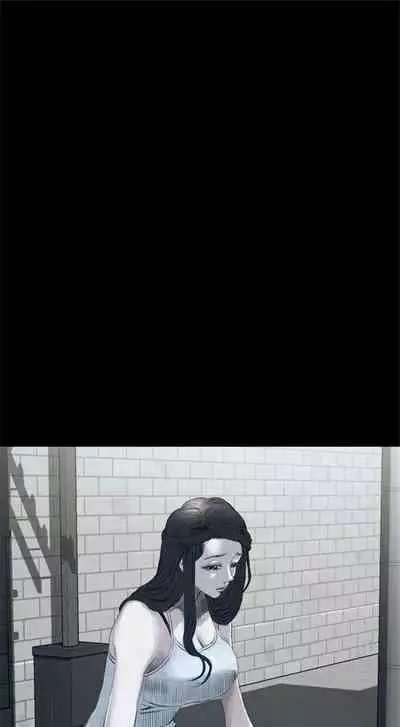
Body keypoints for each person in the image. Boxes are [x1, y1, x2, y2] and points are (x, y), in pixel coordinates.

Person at [85, 496, 254, 727]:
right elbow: (119, 719)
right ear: (182, 562)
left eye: (234, 564)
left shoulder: (215, 609)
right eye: (213, 566)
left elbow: (234, 704)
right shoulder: (141, 619)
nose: (228, 577)